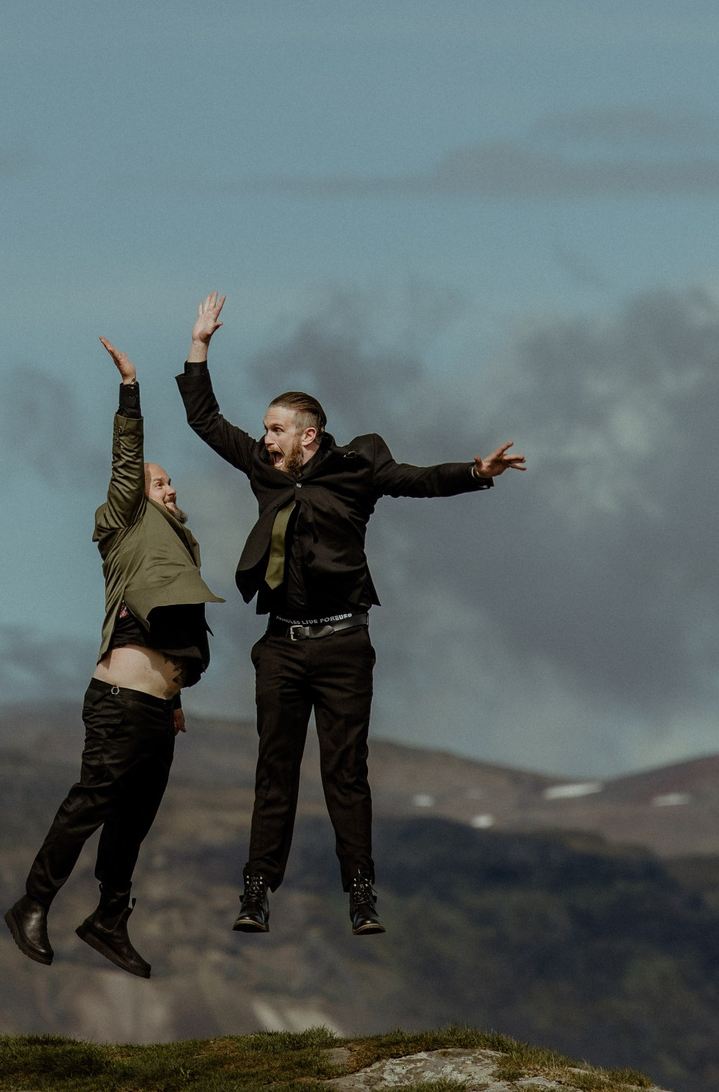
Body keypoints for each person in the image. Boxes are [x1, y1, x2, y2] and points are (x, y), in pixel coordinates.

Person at [177, 292, 525, 937]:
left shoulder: (359, 465)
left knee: (346, 774)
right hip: (279, 646)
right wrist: (200, 344)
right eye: (264, 430)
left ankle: (361, 894)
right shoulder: (264, 468)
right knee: (273, 771)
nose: (264, 438)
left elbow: (417, 479)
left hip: (343, 646)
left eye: (276, 428)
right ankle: (255, 892)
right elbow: (205, 420)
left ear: (308, 434)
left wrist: (477, 471)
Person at [4, 335, 223, 979]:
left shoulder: (182, 548)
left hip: (156, 710)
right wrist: (130, 388)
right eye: (160, 481)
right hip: (120, 699)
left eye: (172, 479)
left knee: (134, 819)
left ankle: (109, 917)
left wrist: (176, 698)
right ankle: (33, 901)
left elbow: (174, 626)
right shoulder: (124, 521)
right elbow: (128, 461)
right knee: (94, 798)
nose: (169, 485)